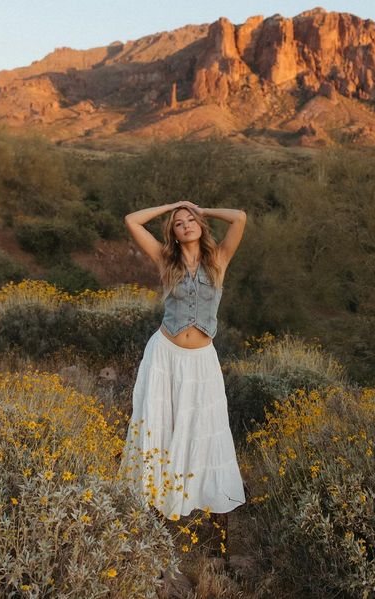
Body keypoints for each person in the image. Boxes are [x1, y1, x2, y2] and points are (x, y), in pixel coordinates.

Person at [118, 200, 247, 558]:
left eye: (192, 221)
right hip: (165, 356)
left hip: (201, 361)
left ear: (202, 226)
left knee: (205, 431)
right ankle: (153, 519)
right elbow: (131, 219)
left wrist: (202, 210)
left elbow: (239, 217)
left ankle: (210, 516)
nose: (187, 224)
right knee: (159, 427)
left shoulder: (218, 260)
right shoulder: (165, 260)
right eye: (179, 222)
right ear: (172, 233)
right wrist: (172, 205)